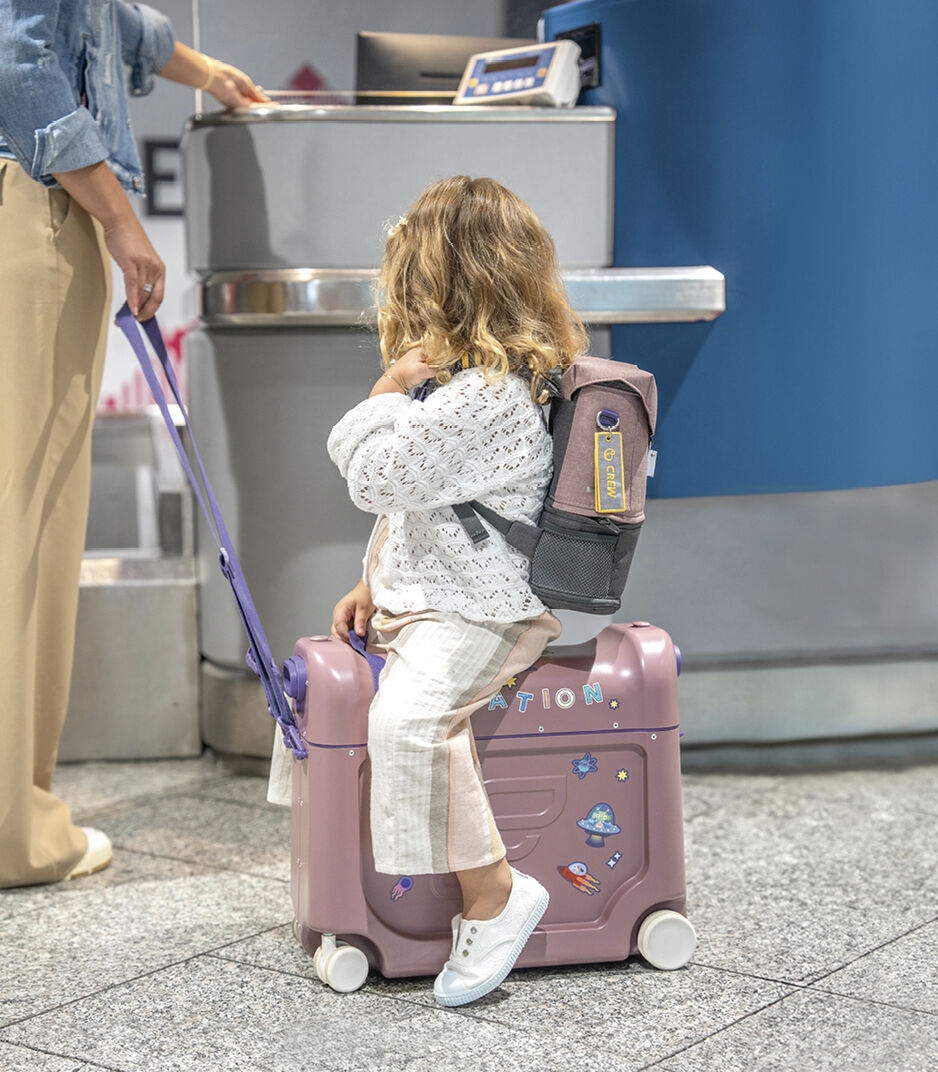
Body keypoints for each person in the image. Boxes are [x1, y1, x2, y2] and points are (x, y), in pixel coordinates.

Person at [0, 1, 268, 889]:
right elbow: (18, 58)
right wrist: (118, 218)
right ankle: (12, 833)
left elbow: (106, 22)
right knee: (22, 531)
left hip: (27, 204)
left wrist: (208, 74)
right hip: (31, 204)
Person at [327, 175, 587, 1006]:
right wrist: (371, 578)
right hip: (439, 594)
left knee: (408, 721)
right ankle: (335, 882)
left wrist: (382, 394)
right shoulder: (473, 383)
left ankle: (495, 895)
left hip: (484, 611)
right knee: (334, 704)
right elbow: (426, 503)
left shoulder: (487, 395)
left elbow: (375, 477)